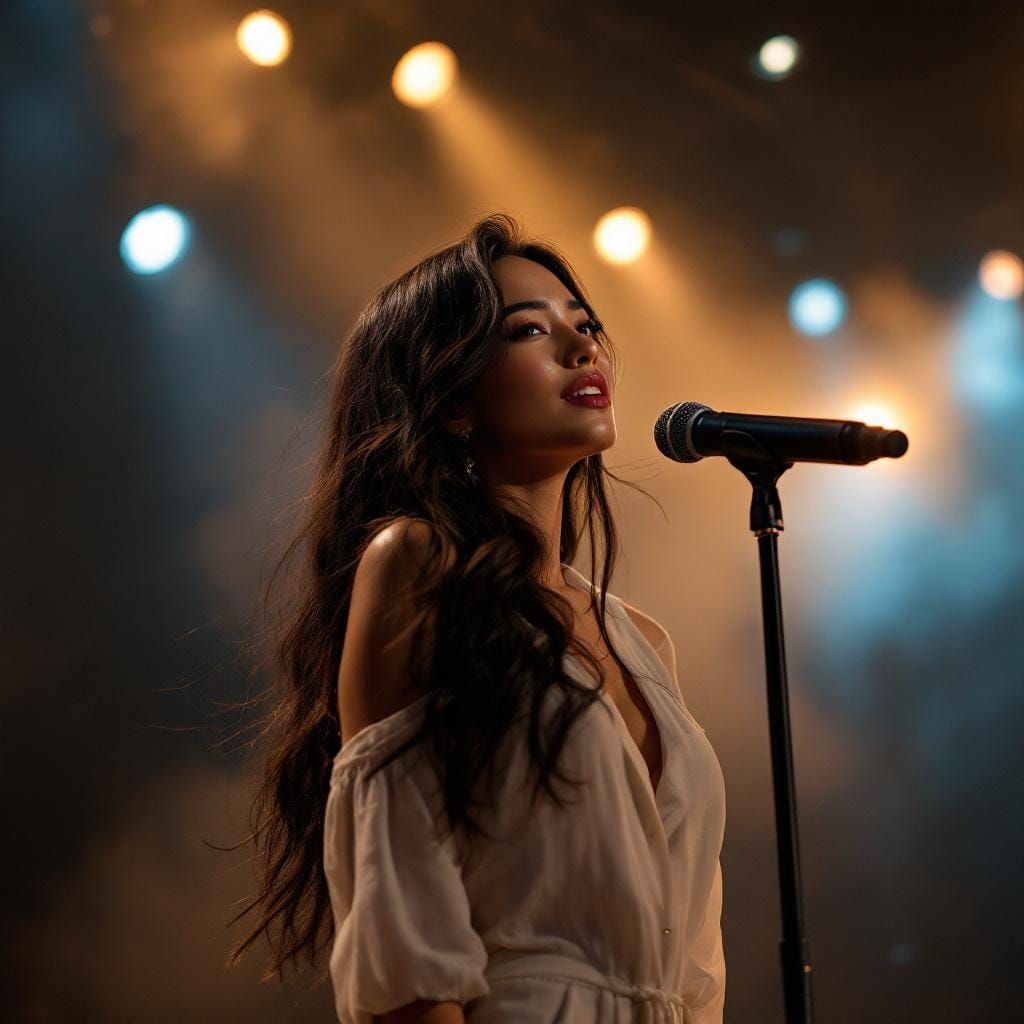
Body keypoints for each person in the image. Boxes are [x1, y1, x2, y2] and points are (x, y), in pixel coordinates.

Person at [225, 213, 726, 1024]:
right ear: (454, 399)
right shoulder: (417, 566)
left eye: (586, 324)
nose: (582, 348)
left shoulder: (644, 641)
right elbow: (403, 927)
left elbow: (697, 956)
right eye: (529, 330)